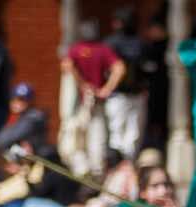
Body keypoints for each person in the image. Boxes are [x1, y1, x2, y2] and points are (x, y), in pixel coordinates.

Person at [60, 19, 123, 175]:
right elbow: (119, 68)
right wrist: (106, 89)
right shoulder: (102, 49)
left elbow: (67, 66)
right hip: (89, 103)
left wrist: (82, 84)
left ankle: (85, 173)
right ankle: (94, 172)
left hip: (85, 103)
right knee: (95, 138)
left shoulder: (77, 49)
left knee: (79, 140)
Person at [104, 9, 148, 162]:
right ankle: (117, 164)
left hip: (135, 94)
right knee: (117, 132)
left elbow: (144, 67)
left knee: (132, 133)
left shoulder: (138, 43)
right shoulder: (111, 43)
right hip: (118, 95)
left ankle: (128, 164)